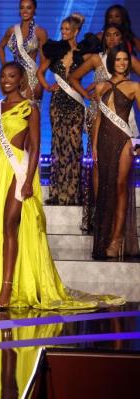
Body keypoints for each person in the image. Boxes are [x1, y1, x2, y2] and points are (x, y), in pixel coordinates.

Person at [0, 62, 123, 310]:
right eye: (3, 76)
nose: (6, 80)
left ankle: (6, 288)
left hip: (18, 172)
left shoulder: (30, 109)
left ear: (21, 80)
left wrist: (27, 181)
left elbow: (35, 147)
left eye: (11, 76)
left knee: (9, 225)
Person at [68, 23, 140, 232]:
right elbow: (73, 78)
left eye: (116, 34)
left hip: (123, 118)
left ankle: (115, 225)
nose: (111, 39)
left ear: (121, 37)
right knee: (99, 167)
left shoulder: (127, 63)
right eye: (108, 35)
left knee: (118, 175)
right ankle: (101, 214)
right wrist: (87, 93)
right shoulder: (96, 59)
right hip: (99, 117)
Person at [37, 13, 94, 205]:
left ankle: (73, 193)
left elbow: (101, 68)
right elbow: (39, 72)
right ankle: (57, 192)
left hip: (75, 104)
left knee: (73, 146)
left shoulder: (83, 53)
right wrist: (47, 86)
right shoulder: (56, 52)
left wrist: (91, 90)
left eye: (67, 29)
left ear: (76, 31)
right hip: (58, 103)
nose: (63, 32)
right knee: (58, 145)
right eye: (62, 29)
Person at [92, 47, 140, 260]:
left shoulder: (134, 86)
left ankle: (117, 238)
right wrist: (93, 146)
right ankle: (103, 237)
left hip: (124, 141)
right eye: (117, 59)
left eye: (124, 60)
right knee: (105, 188)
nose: (121, 63)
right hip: (103, 142)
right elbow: (99, 119)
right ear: (111, 61)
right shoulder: (101, 86)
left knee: (120, 186)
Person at [0, 0, 47, 101]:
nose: (25, 11)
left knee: (28, 111)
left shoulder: (40, 32)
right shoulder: (11, 30)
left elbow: (44, 61)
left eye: (28, 8)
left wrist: (40, 83)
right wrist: (4, 65)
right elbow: (0, 47)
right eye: (22, 7)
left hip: (31, 77)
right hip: (14, 76)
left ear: (34, 10)